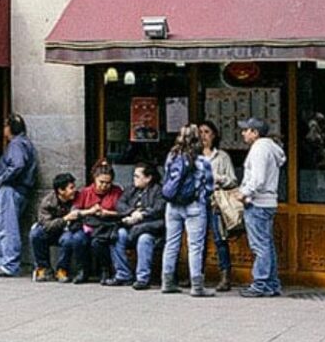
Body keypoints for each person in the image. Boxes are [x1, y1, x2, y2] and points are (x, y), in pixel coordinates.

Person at [160, 124, 215, 297]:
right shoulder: (202, 161)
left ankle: (167, 282)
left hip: (173, 206)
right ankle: (197, 286)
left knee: (171, 243)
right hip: (194, 206)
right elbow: (210, 186)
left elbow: (167, 179)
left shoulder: (171, 157)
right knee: (195, 246)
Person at [238, 116, 286, 298]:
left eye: (246, 130)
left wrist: (244, 192)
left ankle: (260, 283)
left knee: (260, 246)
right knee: (266, 244)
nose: (243, 133)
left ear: (255, 133)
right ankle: (272, 284)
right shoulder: (270, 148)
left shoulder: (259, 149)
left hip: (257, 202)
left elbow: (257, 178)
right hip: (268, 202)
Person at [0, 113, 39, 278]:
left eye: (5, 126)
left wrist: (0, 180)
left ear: (10, 128)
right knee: (0, 224)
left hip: (11, 189)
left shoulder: (17, 144)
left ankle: (8, 264)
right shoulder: (23, 143)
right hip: (16, 189)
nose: (3, 129)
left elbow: (17, 165)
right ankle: (2, 261)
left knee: (7, 226)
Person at [107, 161, 165, 289]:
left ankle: (142, 278)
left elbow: (159, 209)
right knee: (118, 235)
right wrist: (132, 212)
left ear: (148, 178)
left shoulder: (158, 191)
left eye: (137, 176)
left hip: (150, 228)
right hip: (130, 227)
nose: (134, 179)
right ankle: (123, 274)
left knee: (144, 239)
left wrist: (142, 214)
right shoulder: (131, 189)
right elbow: (120, 204)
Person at [68, 163, 123, 284]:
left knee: (97, 242)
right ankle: (82, 270)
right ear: (94, 178)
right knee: (78, 239)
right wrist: (90, 211)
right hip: (88, 225)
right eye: (101, 182)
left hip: (107, 226)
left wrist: (107, 213)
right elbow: (74, 212)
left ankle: (105, 270)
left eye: (108, 183)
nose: (104, 186)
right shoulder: (85, 192)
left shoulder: (116, 191)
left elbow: (123, 212)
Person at [200, 120, 238, 291]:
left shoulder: (222, 156)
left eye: (207, 132)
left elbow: (233, 180)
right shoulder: (194, 155)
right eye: (200, 132)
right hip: (198, 202)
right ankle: (197, 275)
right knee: (197, 241)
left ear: (214, 135)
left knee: (219, 239)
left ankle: (225, 276)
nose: (203, 136)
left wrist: (220, 179)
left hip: (216, 203)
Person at [29, 172, 78, 282]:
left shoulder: (77, 198)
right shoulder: (48, 202)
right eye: (71, 188)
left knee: (68, 239)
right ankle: (43, 268)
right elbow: (47, 225)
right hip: (52, 231)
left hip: (68, 231)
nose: (74, 190)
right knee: (36, 234)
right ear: (61, 190)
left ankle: (62, 269)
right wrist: (65, 219)